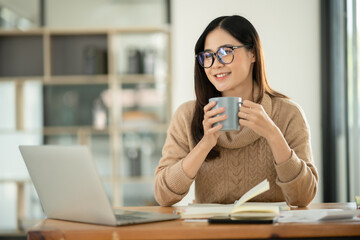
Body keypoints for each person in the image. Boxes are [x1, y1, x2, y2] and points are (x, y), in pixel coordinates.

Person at [154, 15, 318, 207]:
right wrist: (204, 144)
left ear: (253, 54)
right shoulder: (188, 115)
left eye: (225, 51)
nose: (215, 64)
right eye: (208, 55)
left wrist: (273, 135)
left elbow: (304, 197)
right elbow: (163, 196)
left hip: (271, 233)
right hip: (211, 232)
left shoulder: (289, 113)